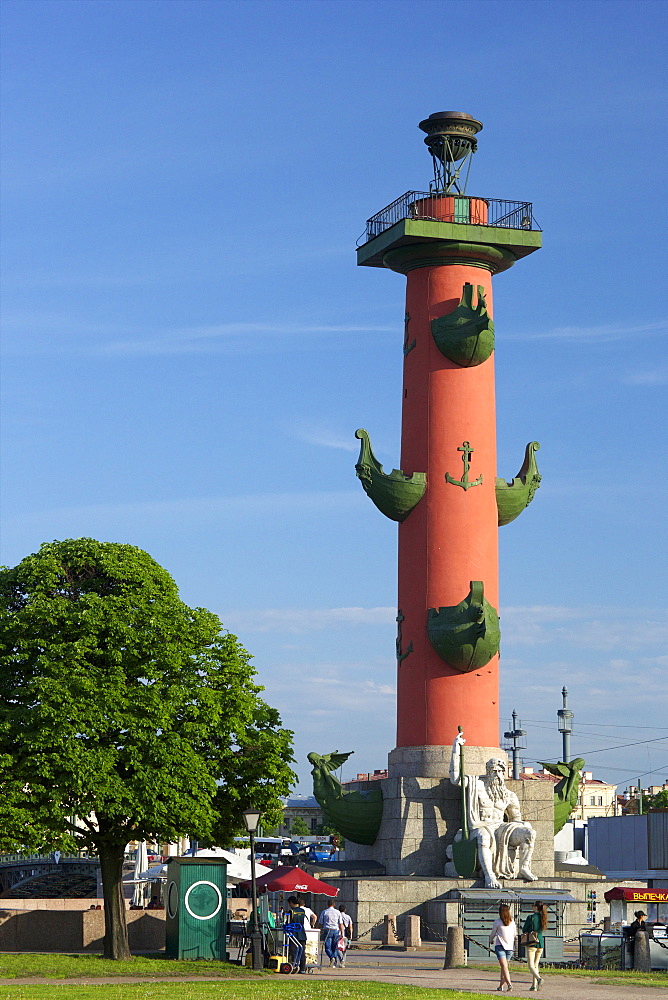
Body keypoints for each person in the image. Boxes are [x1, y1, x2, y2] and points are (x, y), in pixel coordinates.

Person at [449, 730, 537, 888]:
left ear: (504, 773)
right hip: (480, 826)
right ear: (488, 772)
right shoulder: (477, 785)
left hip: (502, 829)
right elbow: (455, 779)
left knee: (529, 833)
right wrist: (456, 749)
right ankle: (489, 876)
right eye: (493, 771)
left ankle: (524, 867)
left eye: (500, 772)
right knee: (483, 836)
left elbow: (516, 819)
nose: (497, 775)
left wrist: (524, 827)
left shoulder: (509, 795)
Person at [489, 903, 516, 992]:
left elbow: (493, 933)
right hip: (510, 946)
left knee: (504, 967)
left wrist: (490, 939)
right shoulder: (512, 922)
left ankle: (509, 984)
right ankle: (501, 985)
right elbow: (515, 934)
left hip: (500, 945)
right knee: (504, 967)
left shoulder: (497, 922)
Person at [522, 900, 547, 991]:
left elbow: (524, 929)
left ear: (536, 907)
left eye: (533, 906)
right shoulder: (543, 917)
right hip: (540, 942)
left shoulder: (530, 917)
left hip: (532, 942)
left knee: (530, 965)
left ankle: (539, 979)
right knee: (536, 965)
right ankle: (534, 986)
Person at [284, 895, 308, 973]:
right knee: (302, 951)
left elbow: (288, 922)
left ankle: (294, 965)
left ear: (291, 903)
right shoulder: (302, 910)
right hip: (302, 932)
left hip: (293, 933)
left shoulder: (291, 911)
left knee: (294, 950)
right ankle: (302, 968)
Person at [318, 898, 343, 968]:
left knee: (327, 947)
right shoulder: (338, 912)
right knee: (335, 947)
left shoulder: (324, 912)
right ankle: (334, 962)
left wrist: (319, 930)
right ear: (334, 904)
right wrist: (342, 933)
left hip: (327, 930)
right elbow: (340, 924)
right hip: (336, 930)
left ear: (327, 904)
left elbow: (320, 923)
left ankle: (332, 958)